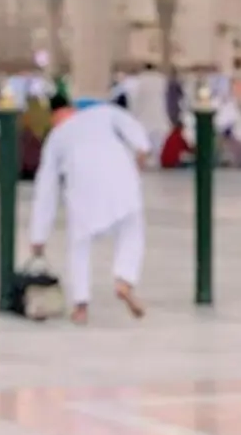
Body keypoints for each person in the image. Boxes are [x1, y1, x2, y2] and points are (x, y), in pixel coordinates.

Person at [29, 96, 151, 324]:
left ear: (54, 116)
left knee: (79, 245)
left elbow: (46, 189)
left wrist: (39, 236)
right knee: (132, 230)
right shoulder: (102, 113)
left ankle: (81, 305)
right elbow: (132, 127)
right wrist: (142, 149)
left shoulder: (56, 137)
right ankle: (124, 279)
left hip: (84, 191)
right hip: (121, 180)